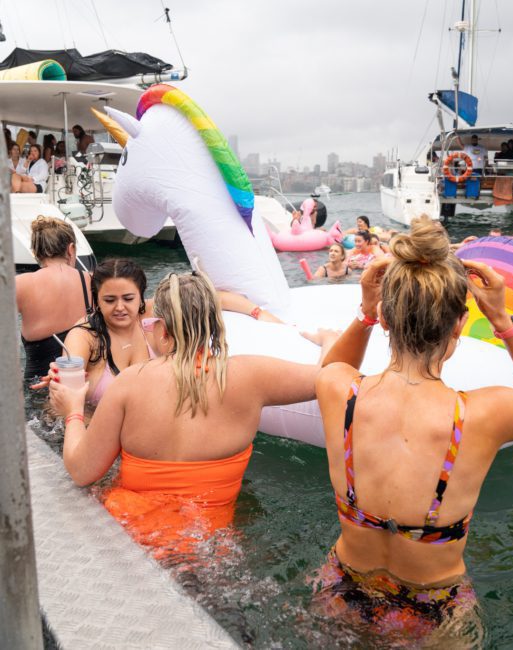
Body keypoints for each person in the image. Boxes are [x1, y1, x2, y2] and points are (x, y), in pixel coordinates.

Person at [312, 217, 513, 638]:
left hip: (343, 588)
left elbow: (334, 364)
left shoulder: (339, 391)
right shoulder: (482, 414)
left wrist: (365, 311)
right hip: (433, 607)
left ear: (387, 320)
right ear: (458, 324)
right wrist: (502, 319)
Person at [48, 271, 338, 553]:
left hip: (126, 539)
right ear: (216, 324)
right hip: (210, 546)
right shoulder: (251, 376)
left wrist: (73, 409)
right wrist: (330, 342)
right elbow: (329, 378)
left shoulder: (129, 383)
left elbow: (81, 471)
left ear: (161, 329)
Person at [38, 258, 283, 406]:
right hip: (98, 430)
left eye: (128, 298)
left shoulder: (147, 314)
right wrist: (63, 377)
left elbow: (210, 297)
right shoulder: (85, 335)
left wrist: (258, 313)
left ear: (141, 298)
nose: (120, 307)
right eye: (110, 300)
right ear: (97, 300)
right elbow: (67, 394)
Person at [16, 216, 93, 380]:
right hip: (81, 383)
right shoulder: (93, 281)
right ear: (71, 249)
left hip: (38, 387)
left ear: (35, 252)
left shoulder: (21, 285)